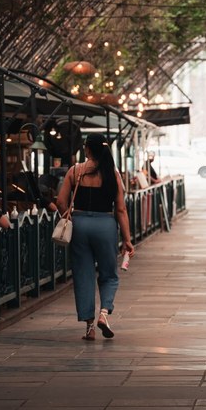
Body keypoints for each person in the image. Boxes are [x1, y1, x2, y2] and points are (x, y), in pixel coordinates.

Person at [56, 133, 134, 341]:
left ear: (87, 149)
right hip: (105, 226)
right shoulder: (112, 173)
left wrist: (68, 216)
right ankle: (104, 313)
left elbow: (61, 201)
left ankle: (89, 327)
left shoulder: (75, 171)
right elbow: (120, 209)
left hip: (79, 225)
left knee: (83, 275)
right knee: (109, 274)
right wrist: (127, 239)